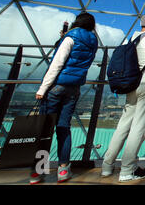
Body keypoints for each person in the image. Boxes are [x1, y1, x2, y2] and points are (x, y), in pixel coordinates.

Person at [101, 12, 145, 182]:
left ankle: (107, 166)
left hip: (131, 85)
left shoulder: (131, 39)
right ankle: (127, 170)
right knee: (139, 128)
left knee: (123, 126)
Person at [30, 12, 98, 184]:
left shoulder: (71, 37)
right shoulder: (93, 41)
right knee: (63, 128)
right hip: (74, 88)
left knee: (45, 130)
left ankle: (38, 172)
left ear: (77, 22)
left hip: (56, 86)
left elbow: (58, 63)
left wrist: (43, 88)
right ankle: (63, 170)